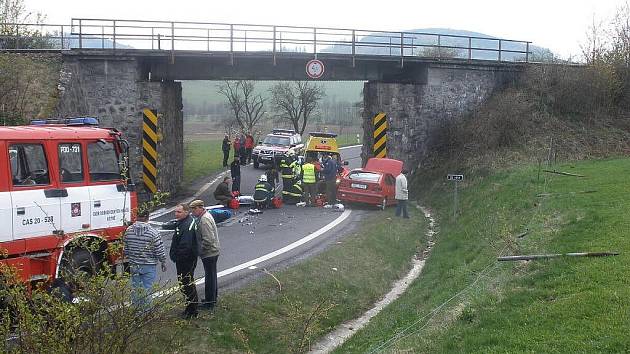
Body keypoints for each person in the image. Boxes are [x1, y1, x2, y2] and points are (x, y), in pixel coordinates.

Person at [124, 208, 167, 307]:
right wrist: (163, 262)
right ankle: (146, 313)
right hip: (149, 264)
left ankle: (136, 312)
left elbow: (126, 249)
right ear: (147, 217)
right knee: (147, 289)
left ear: (136, 216)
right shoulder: (153, 232)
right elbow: (159, 249)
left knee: (136, 289)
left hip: (134, 264)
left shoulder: (129, 231)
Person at [163, 204, 199, 318]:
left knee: (187, 283)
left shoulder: (187, 225)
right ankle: (190, 307)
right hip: (184, 259)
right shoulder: (183, 222)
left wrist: (177, 257)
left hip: (186, 260)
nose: (176, 214)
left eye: (179, 212)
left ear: (186, 212)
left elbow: (185, 246)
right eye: (175, 212)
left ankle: (192, 310)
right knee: (185, 283)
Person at [190, 199, 220, 310]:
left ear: (199, 208)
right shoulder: (206, 216)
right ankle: (212, 298)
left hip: (209, 252)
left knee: (210, 277)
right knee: (212, 275)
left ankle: (210, 302)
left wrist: (199, 251)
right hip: (212, 251)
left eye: (193, 210)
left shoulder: (204, 220)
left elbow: (208, 240)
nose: (192, 212)